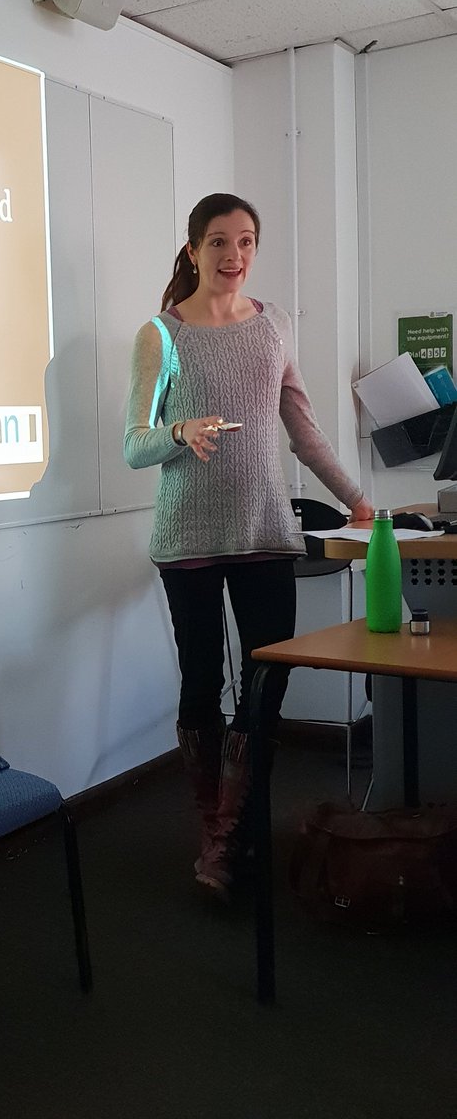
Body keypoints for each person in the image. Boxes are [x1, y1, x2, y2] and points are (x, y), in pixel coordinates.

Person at [123, 192, 373, 900]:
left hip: (265, 529)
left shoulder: (275, 326)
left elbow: (303, 429)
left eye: (246, 242)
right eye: (219, 242)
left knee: (266, 683)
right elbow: (135, 446)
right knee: (202, 683)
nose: (234, 256)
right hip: (189, 538)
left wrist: (357, 499)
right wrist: (179, 432)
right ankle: (216, 835)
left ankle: (236, 827)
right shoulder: (161, 335)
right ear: (194, 249)